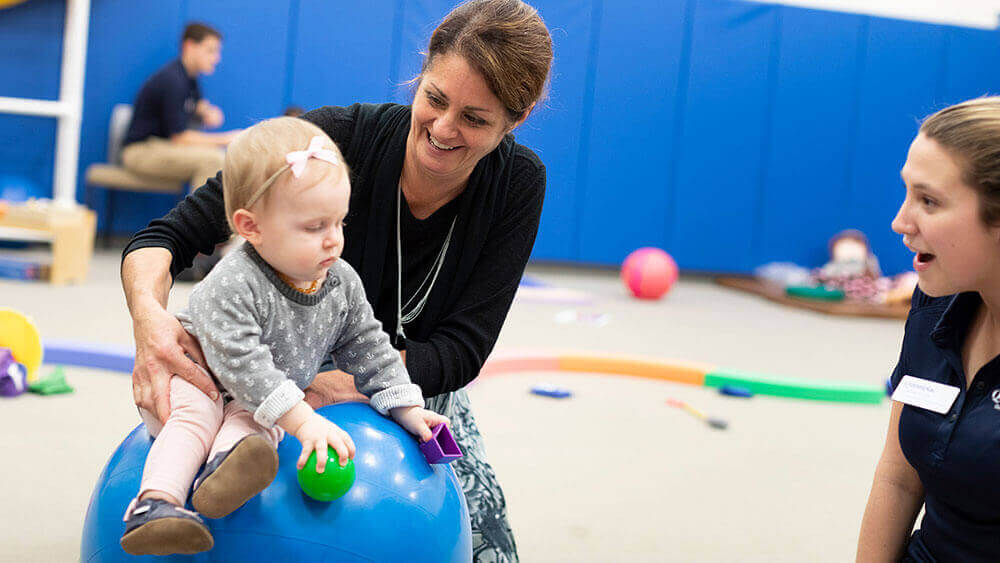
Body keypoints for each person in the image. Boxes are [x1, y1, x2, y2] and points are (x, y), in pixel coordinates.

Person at [121, 1, 552, 560]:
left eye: (474, 119)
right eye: (435, 99)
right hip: (267, 362)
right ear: (420, 75)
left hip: (401, 379)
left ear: (513, 121)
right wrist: (150, 325)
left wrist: (352, 385)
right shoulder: (330, 144)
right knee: (208, 445)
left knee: (486, 545)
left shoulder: (517, 183)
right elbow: (164, 237)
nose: (443, 129)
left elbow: (461, 349)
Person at [120, 117, 448, 556]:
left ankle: (225, 474)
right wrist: (303, 419)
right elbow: (243, 363)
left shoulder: (339, 281)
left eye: (340, 224)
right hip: (198, 379)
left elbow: (370, 346)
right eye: (315, 228)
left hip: (255, 402)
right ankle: (155, 504)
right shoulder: (234, 280)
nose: (333, 241)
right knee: (197, 419)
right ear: (251, 227)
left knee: (259, 430)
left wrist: (406, 407)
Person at [857, 97, 1000, 562]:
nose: (900, 222)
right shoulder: (935, 305)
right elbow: (898, 477)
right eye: (907, 193)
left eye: (929, 201)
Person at [121, 22, 240, 190]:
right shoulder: (173, 80)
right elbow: (179, 137)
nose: (216, 58)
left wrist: (207, 112)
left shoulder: (190, 78)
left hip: (161, 146)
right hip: (141, 150)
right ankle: (197, 216)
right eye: (210, 51)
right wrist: (227, 139)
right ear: (190, 46)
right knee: (213, 160)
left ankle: (205, 214)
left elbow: (196, 104)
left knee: (218, 159)